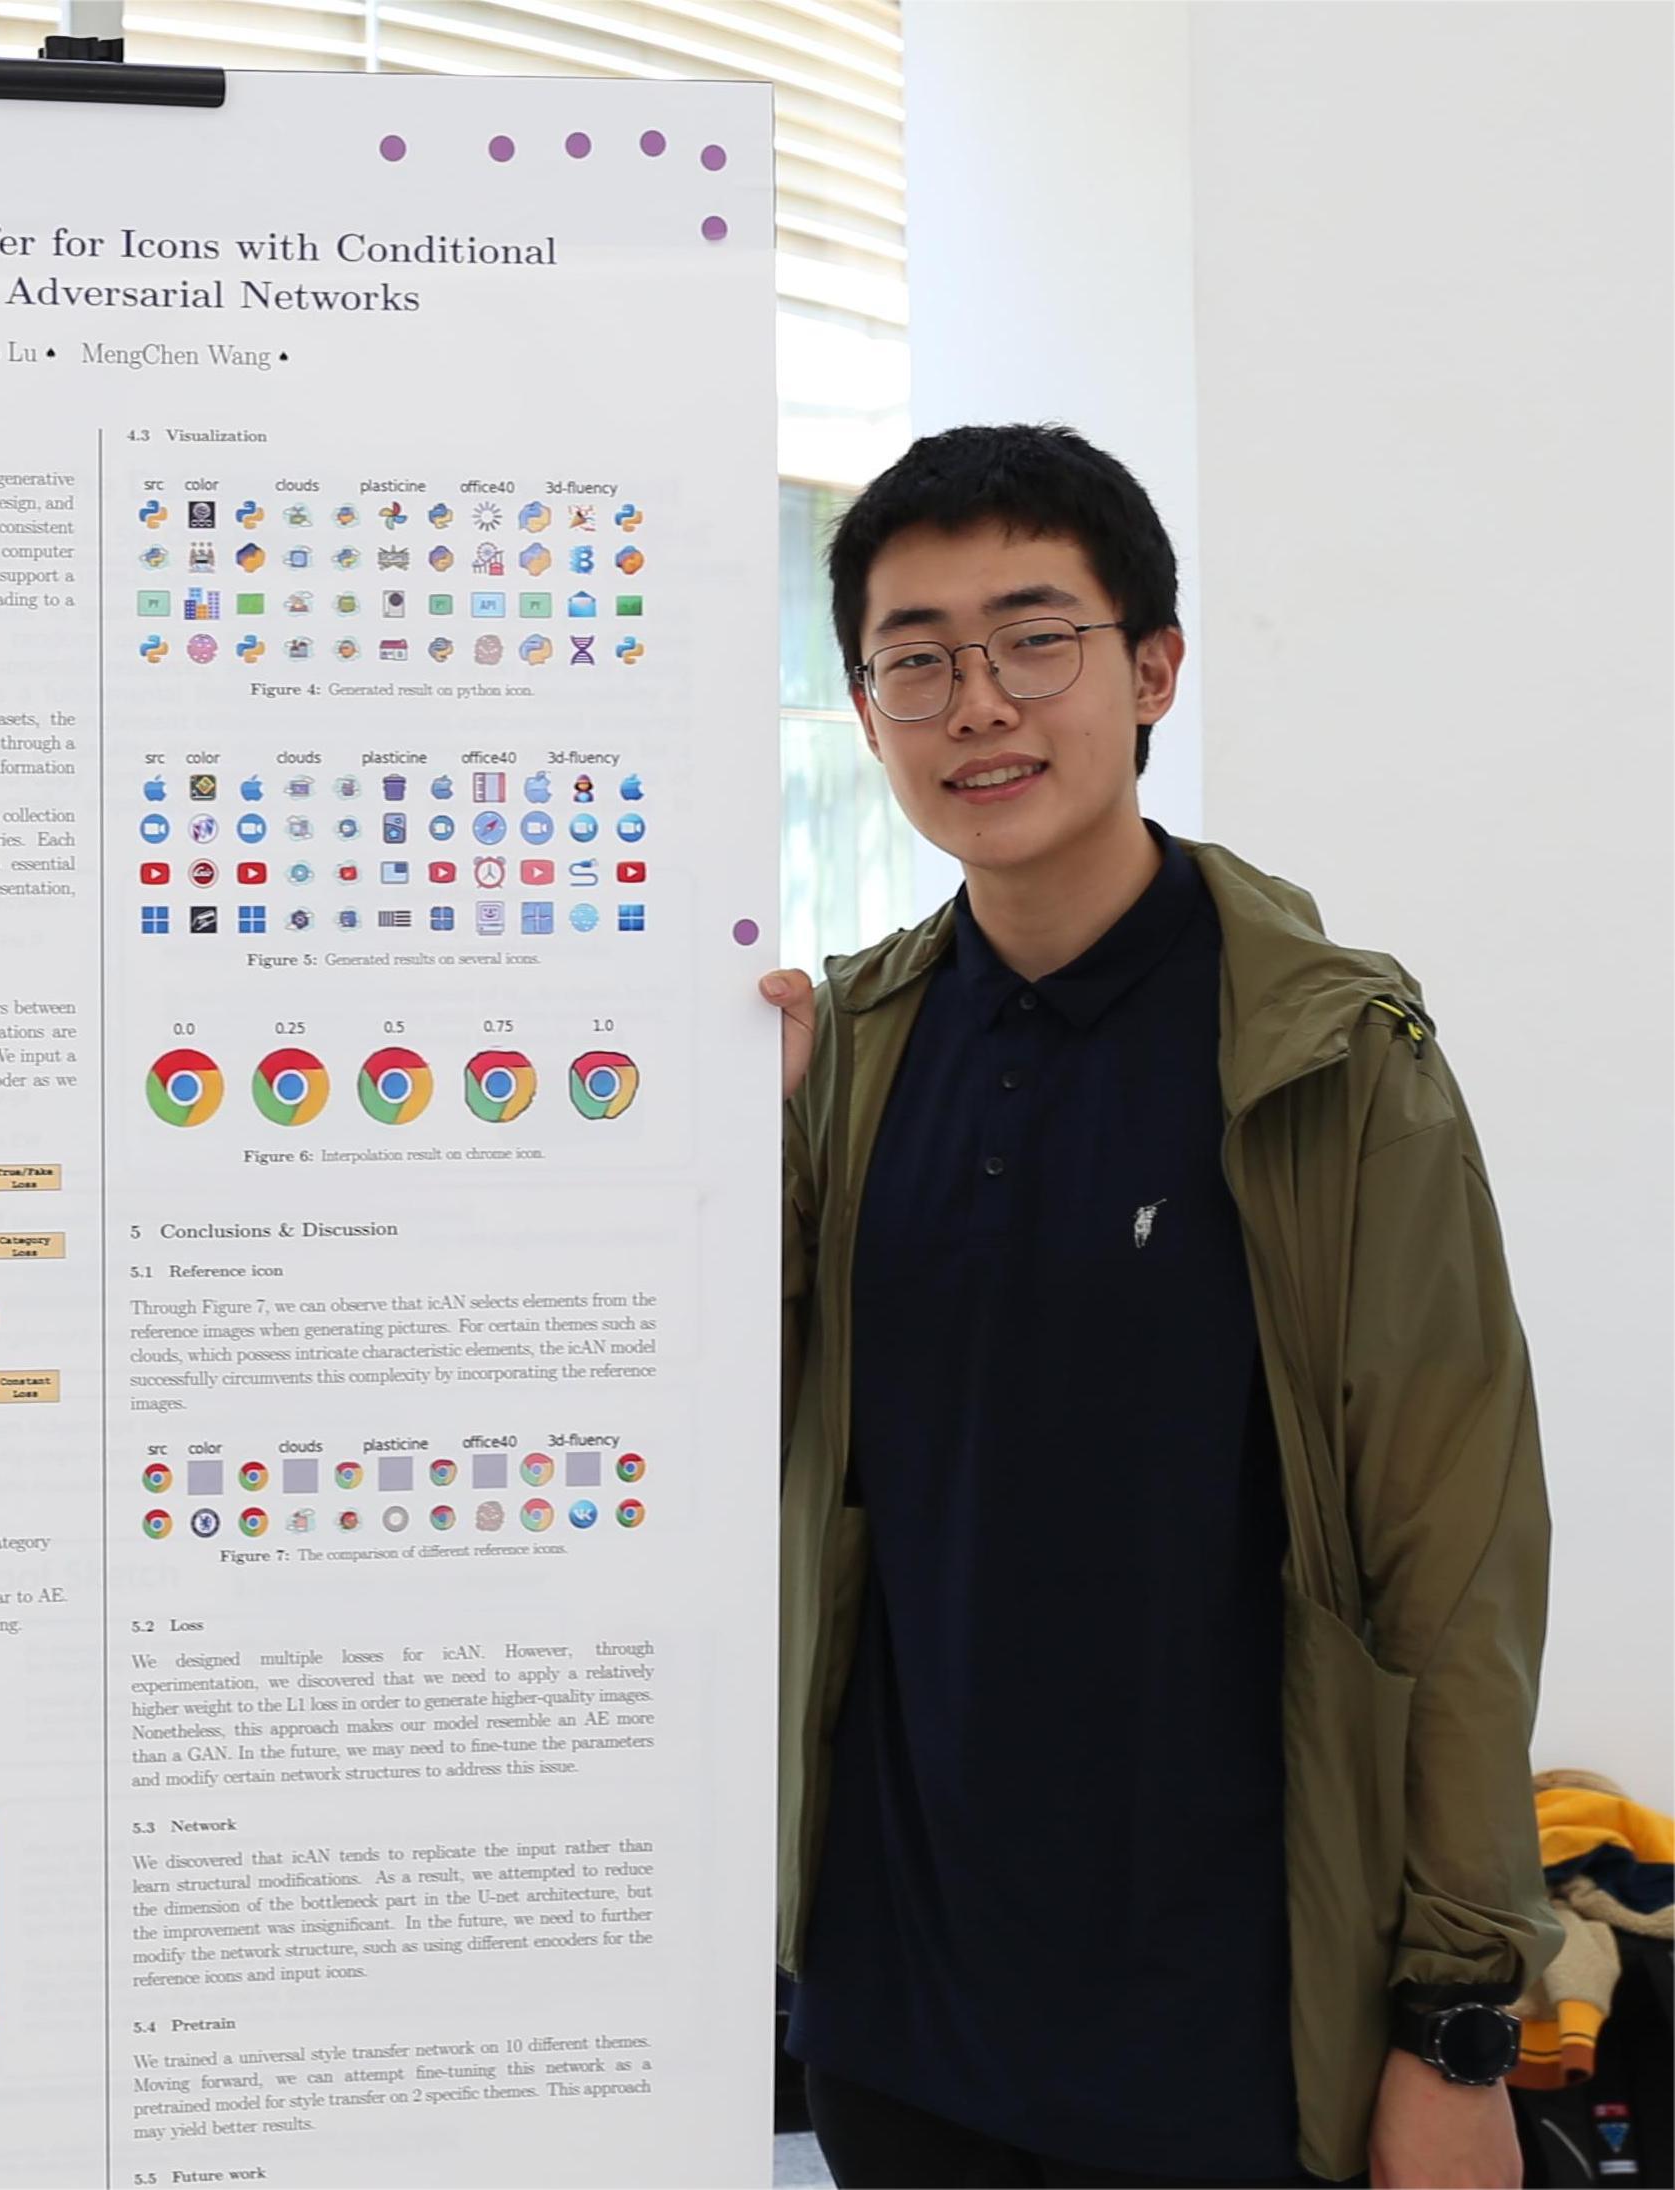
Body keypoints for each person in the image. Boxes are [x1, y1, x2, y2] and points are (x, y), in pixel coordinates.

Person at [758, 424, 1554, 2189]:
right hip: (900, 2020)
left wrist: (1456, 2018)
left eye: (1036, 638)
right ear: (867, 712)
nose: (980, 703)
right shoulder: (845, 1057)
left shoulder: (1334, 1057)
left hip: (1229, 2035)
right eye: (917, 659)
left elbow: (1453, 1554)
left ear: (1154, 670)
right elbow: (755, 1461)